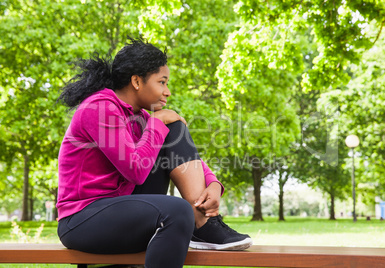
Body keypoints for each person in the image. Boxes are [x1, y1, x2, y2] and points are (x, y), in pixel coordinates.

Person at [56, 37, 252, 268]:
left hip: (123, 208)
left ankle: (206, 223)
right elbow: (136, 170)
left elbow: (185, 157)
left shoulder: (140, 117)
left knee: (174, 128)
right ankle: (198, 226)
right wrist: (157, 121)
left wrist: (213, 184)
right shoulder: (99, 108)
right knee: (177, 211)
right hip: (82, 219)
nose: (167, 92)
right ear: (137, 81)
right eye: (162, 82)